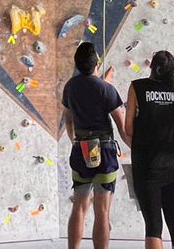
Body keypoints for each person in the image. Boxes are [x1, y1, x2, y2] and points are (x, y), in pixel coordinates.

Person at [63, 42, 130, 249]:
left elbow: (68, 121)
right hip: (105, 151)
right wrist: (135, 147)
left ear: (77, 64)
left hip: (80, 149)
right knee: (102, 211)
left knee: (79, 206)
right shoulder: (107, 90)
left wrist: (74, 141)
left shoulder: (70, 87)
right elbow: (122, 128)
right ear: (97, 64)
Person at [125, 50, 174, 249]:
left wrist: (140, 144)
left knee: (153, 226)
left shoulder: (137, 87)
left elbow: (128, 128)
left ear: (151, 66)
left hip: (147, 165)